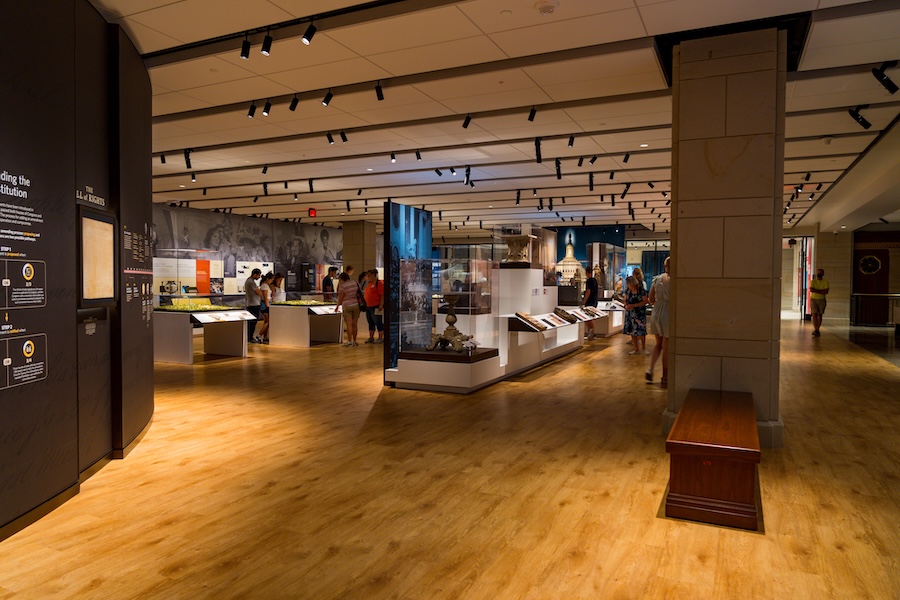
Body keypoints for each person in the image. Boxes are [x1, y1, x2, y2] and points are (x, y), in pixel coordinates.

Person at [646, 256, 671, 386]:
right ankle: (665, 376)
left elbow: (650, 299)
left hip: (657, 311)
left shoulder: (657, 279)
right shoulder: (675, 280)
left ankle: (650, 369)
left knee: (658, 344)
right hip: (668, 311)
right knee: (666, 345)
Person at [623, 275, 649, 355]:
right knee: (632, 331)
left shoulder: (641, 290)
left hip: (639, 313)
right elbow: (625, 299)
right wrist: (626, 305)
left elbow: (645, 301)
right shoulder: (628, 291)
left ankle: (644, 348)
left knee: (641, 331)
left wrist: (634, 305)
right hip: (630, 313)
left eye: (628, 283)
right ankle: (636, 348)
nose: (627, 285)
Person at [336, 271, 361, 346]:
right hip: (356, 304)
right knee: (355, 324)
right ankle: (355, 340)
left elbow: (340, 297)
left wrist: (337, 306)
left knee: (349, 324)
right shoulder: (355, 283)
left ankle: (349, 341)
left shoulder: (342, 286)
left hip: (347, 305)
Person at [363, 269, 385, 344]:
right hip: (368, 306)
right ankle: (371, 337)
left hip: (376, 306)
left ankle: (380, 337)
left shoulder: (379, 284)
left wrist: (381, 305)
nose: (368, 277)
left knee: (378, 321)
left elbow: (382, 295)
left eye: (370, 275)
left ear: (374, 275)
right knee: (370, 322)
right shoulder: (368, 283)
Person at [244, 268, 263, 343]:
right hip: (253, 304)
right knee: (252, 322)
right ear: (255, 274)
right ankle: (250, 337)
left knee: (252, 322)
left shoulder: (249, 281)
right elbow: (259, 293)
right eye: (258, 275)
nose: (259, 277)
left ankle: (249, 336)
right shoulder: (251, 282)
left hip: (252, 304)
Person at [810, 267, 829, 337]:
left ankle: (817, 329)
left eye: (820, 273)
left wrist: (816, 290)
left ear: (823, 274)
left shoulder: (825, 282)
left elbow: (826, 291)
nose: (819, 274)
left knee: (820, 315)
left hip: (821, 300)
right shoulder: (813, 281)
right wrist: (821, 291)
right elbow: (811, 289)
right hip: (813, 299)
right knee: (814, 314)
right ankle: (816, 329)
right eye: (818, 272)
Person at [582, 266, 599, 340]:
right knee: (588, 317)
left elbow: (588, 291)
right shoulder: (594, 280)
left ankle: (592, 332)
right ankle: (591, 332)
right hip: (594, 301)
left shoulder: (589, 281)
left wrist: (584, 301)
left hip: (590, 301)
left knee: (588, 318)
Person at [257, 272, 274, 343]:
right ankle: (259, 335)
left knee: (266, 322)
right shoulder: (264, 286)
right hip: (265, 304)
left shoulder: (265, 285)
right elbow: (265, 297)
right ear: (268, 279)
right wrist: (267, 306)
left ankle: (265, 337)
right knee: (268, 322)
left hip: (266, 304)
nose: (271, 281)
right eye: (271, 280)